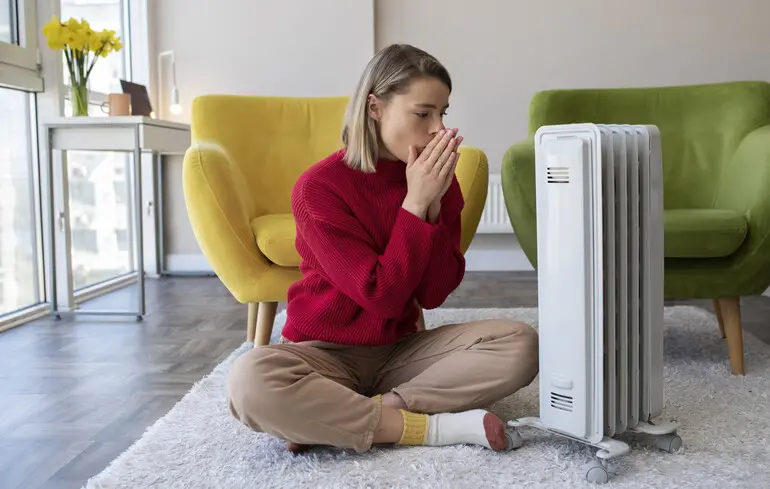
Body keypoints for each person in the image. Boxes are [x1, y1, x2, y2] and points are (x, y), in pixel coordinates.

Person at [226, 43, 539, 454]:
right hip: (323, 355)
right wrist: (414, 204)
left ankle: (363, 416)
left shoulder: (437, 180)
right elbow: (381, 295)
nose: (438, 130)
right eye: (423, 113)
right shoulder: (318, 188)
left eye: (442, 113)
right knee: (250, 380)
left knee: (521, 343)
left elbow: (432, 294)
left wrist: (430, 206)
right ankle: (432, 429)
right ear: (375, 107)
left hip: (401, 353)